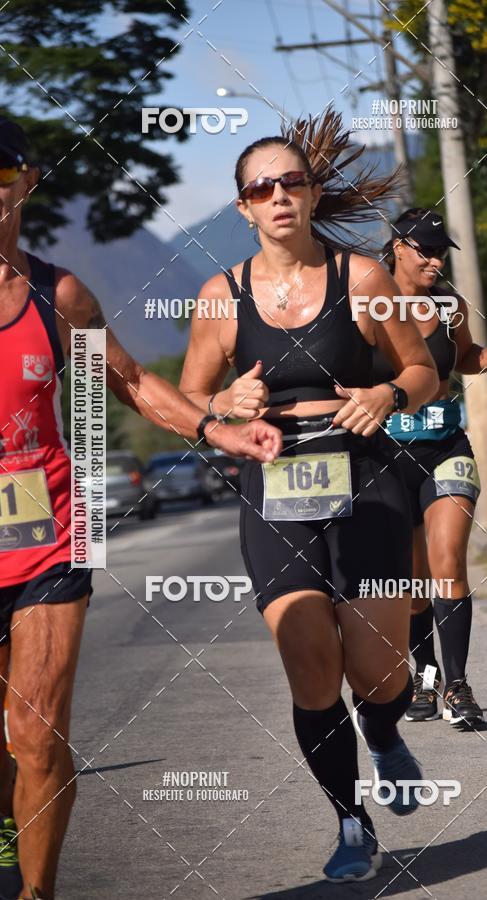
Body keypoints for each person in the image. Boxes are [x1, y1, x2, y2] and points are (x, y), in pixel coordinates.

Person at [0, 115, 282, 900]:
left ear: (25, 181)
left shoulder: (58, 296)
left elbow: (129, 383)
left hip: (51, 540)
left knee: (36, 734)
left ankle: (37, 893)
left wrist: (217, 428)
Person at [179, 109, 439, 883]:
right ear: (245, 208)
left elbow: (422, 371)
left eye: (292, 181)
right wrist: (225, 406)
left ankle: (387, 734)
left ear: (314, 192)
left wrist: (387, 395)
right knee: (309, 662)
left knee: (378, 670)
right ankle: (352, 823)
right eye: (262, 187)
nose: (279, 196)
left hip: (365, 476)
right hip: (274, 481)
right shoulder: (219, 297)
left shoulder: (360, 279)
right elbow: (194, 400)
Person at [375, 207, 487, 729]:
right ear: (400, 248)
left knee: (448, 561)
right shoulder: (365, 304)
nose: (435, 261)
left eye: (441, 252)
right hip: (386, 458)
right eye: (426, 251)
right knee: (411, 584)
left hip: (446, 447)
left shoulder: (449, 305)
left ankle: (457, 686)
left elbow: (467, 357)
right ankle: (425, 678)